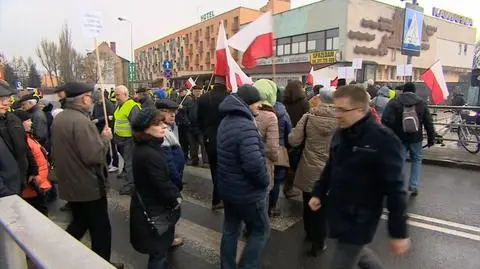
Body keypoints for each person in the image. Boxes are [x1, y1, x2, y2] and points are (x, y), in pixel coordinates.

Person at [309, 85, 410, 269]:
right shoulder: (341, 133)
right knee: (359, 253)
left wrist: (398, 232)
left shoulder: (384, 140)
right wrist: (318, 192)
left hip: (361, 218)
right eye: (335, 108)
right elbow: (331, 166)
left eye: (342, 110)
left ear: (360, 110)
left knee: (344, 257)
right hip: (338, 211)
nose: (337, 115)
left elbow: (396, 189)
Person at [51, 82, 122, 268]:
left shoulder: (62, 117)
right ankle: (102, 263)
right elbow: (94, 156)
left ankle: (58, 253)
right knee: (101, 230)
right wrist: (105, 140)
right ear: (83, 98)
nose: (91, 100)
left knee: (80, 222)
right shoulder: (81, 121)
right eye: (90, 96)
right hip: (89, 185)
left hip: (72, 184)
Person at [217, 85, 270, 269]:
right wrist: (265, 182)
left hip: (229, 189)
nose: (260, 106)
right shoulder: (245, 126)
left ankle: (227, 265)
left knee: (231, 229)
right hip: (247, 193)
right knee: (261, 230)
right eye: (257, 103)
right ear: (248, 103)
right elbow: (254, 165)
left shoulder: (226, 120)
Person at [130, 108, 182, 269]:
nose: (163, 127)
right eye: (158, 124)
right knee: (158, 254)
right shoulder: (148, 153)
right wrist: (177, 198)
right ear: (146, 128)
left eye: (163, 123)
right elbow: (161, 184)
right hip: (154, 209)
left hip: (152, 205)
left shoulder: (149, 146)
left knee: (160, 251)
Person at [288, 88, 336, 256]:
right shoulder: (342, 120)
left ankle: (310, 234)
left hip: (309, 167)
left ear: (319, 98)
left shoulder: (308, 117)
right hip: (331, 170)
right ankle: (319, 241)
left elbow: (294, 140)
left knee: (308, 202)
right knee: (324, 206)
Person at [382, 82, 435, 197]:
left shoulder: (395, 102)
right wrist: (431, 138)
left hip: (399, 138)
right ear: (414, 91)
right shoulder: (421, 103)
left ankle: (398, 185)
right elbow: (428, 122)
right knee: (416, 160)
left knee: (400, 160)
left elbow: (385, 119)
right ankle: (413, 186)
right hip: (416, 138)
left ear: (403, 90)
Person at [156, 99, 186, 248]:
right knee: (169, 210)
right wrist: (177, 181)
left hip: (173, 178)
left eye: (174, 112)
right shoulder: (161, 131)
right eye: (168, 112)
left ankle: (168, 237)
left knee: (170, 210)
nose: (172, 115)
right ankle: (167, 240)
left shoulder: (170, 127)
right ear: (159, 113)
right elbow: (168, 162)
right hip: (170, 180)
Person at [0, 81, 37, 198]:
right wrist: (5, 192)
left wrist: (32, 168)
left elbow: (24, 146)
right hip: (5, 192)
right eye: (1, 99)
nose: (6, 103)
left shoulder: (13, 120)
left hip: (18, 184)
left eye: (7, 98)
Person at [197, 77, 228, 210]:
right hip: (227, 137)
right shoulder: (230, 97)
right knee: (228, 169)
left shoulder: (203, 98)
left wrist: (205, 133)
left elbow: (198, 119)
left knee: (215, 169)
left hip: (210, 138)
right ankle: (226, 197)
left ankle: (217, 199)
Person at [13, 110, 52, 215]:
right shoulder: (22, 141)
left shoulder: (28, 136)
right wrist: (36, 181)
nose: (31, 122)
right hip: (33, 188)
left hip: (39, 184)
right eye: (28, 120)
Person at [253, 79, 280, 207]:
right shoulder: (271, 117)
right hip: (264, 162)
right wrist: (275, 159)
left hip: (248, 160)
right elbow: (272, 147)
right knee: (262, 199)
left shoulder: (248, 110)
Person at [283, 80, 310, 199]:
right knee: (295, 162)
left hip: (285, 133)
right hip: (299, 135)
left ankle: (286, 184)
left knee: (286, 159)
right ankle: (289, 187)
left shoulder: (283, 102)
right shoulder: (304, 103)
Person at [114, 85, 141, 195]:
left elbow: (136, 126)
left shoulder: (132, 107)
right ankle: (129, 179)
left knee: (130, 163)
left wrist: (136, 142)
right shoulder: (120, 105)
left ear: (125, 94)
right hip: (121, 140)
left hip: (130, 140)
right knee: (127, 162)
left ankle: (130, 186)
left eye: (117, 95)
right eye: (115, 94)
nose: (116, 97)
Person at [270, 88, 292, 217]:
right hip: (280, 149)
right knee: (277, 180)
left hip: (265, 149)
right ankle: (273, 206)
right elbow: (289, 132)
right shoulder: (284, 113)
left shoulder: (261, 109)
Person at [91, 90, 119, 173]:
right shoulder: (96, 105)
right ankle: (107, 161)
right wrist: (92, 118)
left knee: (113, 146)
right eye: (96, 101)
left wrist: (98, 120)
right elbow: (94, 113)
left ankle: (115, 164)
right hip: (100, 128)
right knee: (103, 146)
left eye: (99, 100)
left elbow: (111, 116)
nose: (98, 102)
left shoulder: (108, 104)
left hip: (109, 127)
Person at [188, 86, 208, 166]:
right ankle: (194, 160)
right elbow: (186, 112)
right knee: (192, 145)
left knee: (203, 144)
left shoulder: (204, 101)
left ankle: (205, 161)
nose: (198, 93)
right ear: (193, 92)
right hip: (190, 127)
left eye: (199, 91)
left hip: (200, 127)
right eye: (196, 91)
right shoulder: (189, 101)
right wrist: (187, 122)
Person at [175, 88, 192, 161]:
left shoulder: (189, 99)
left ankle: (187, 155)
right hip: (180, 121)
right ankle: (183, 155)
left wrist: (183, 107)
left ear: (185, 92)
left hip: (186, 122)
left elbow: (190, 109)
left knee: (187, 140)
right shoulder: (178, 98)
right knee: (181, 140)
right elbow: (176, 106)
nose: (181, 93)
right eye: (180, 92)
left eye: (182, 92)